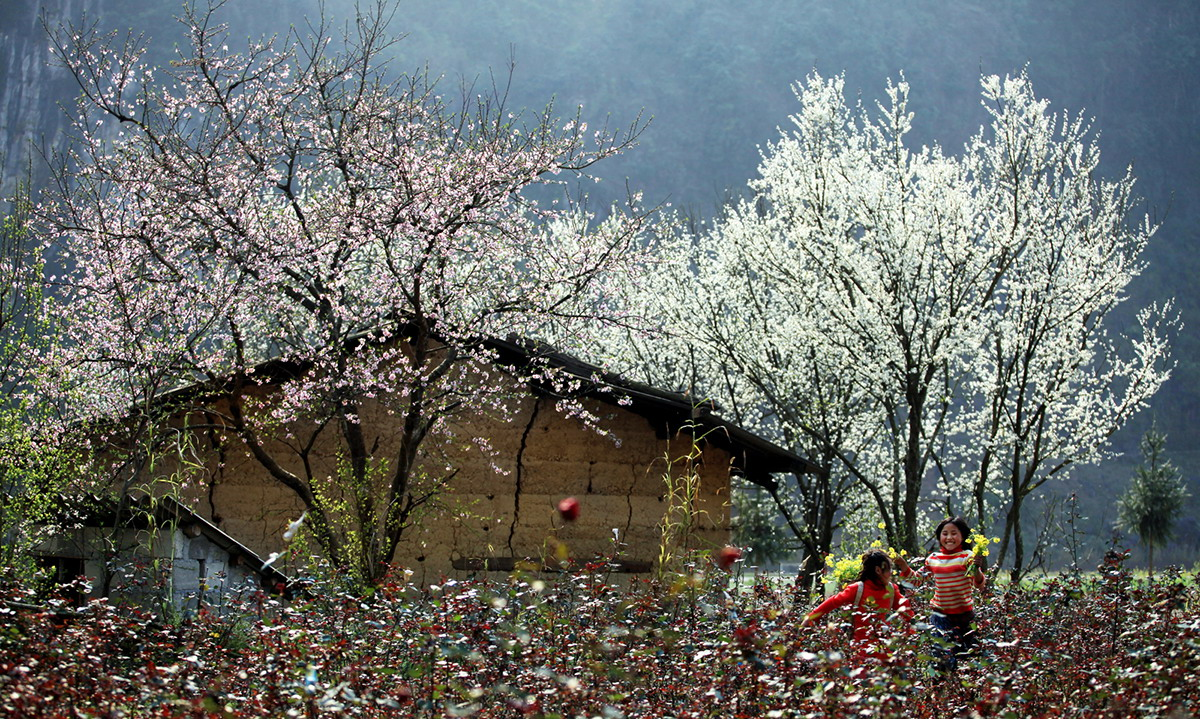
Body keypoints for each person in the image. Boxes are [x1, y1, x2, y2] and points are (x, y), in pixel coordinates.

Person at [895, 516, 986, 671]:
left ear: (962, 536)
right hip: (940, 616)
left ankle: (961, 692)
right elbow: (917, 581)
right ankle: (938, 689)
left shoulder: (968, 557)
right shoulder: (933, 559)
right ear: (939, 537)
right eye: (945, 533)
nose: (949, 537)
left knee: (968, 657)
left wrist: (976, 569)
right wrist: (903, 566)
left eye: (954, 533)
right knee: (941, 658)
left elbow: (979, 584)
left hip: (965, 616)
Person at [800, 548, 913, 662]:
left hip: (883, 653)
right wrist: (810, 618)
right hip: (861, 654)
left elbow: (907, 612)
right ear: (878, 570)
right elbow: (832, 602)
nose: (892, 573)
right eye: (889, 569)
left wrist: (913, 634)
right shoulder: (858, 589)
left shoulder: (891, 590)